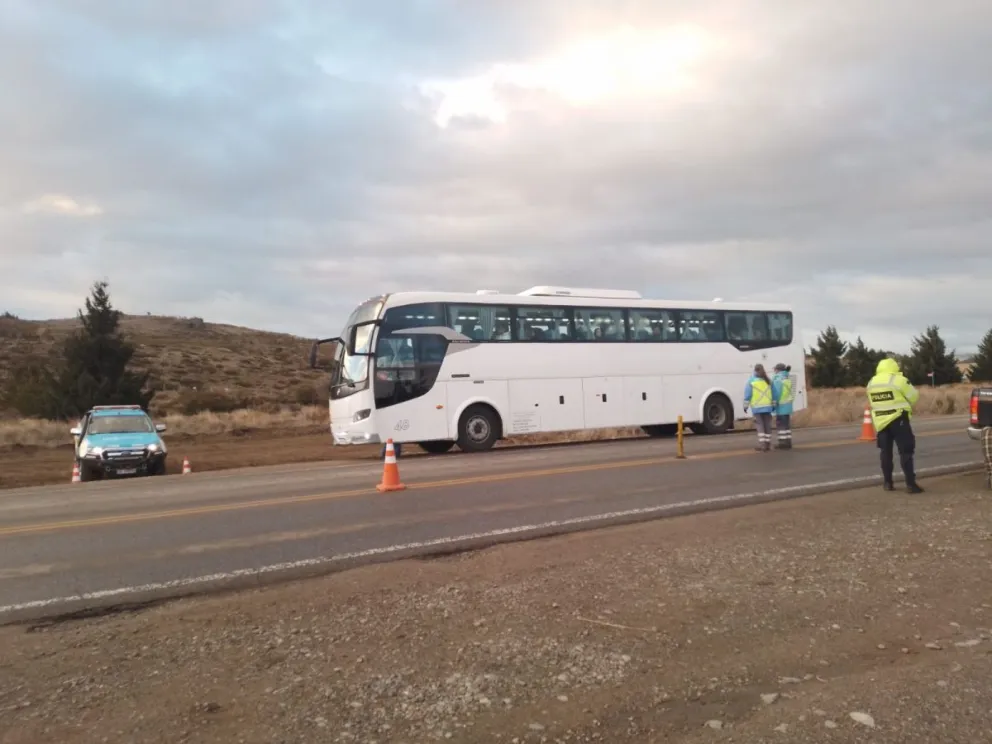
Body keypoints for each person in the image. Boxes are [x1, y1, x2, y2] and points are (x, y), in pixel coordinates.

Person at [866, 357, 923, 493]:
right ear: (894, 368)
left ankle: (887, 483)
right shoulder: (898, 380)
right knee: (906, 451)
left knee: (885, 453)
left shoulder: (871, 382)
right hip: (899, 420)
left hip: (880, 422)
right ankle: (910, 484)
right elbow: (914, 397)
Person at [744, 363, 775, 451]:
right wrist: (773, 405)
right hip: (768, 407)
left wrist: (745, 407)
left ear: (755, 370)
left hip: (757, 408)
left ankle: (763, 445)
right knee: (767, 425)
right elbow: (774, 394)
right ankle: (768, 444)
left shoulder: (751, 381)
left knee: (760, 425)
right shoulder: (768, 381)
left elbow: (747, 395)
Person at [771, 363, 794, 449]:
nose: (774, 371)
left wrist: (773, 404)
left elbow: (776, 394)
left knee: (781, 426)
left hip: (781, 406)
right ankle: (788, 442)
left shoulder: (778, 380)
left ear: (778, 370)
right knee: (786, 426)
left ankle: (783, 444)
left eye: (775, 369)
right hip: (787, 406)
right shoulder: (787, 379)